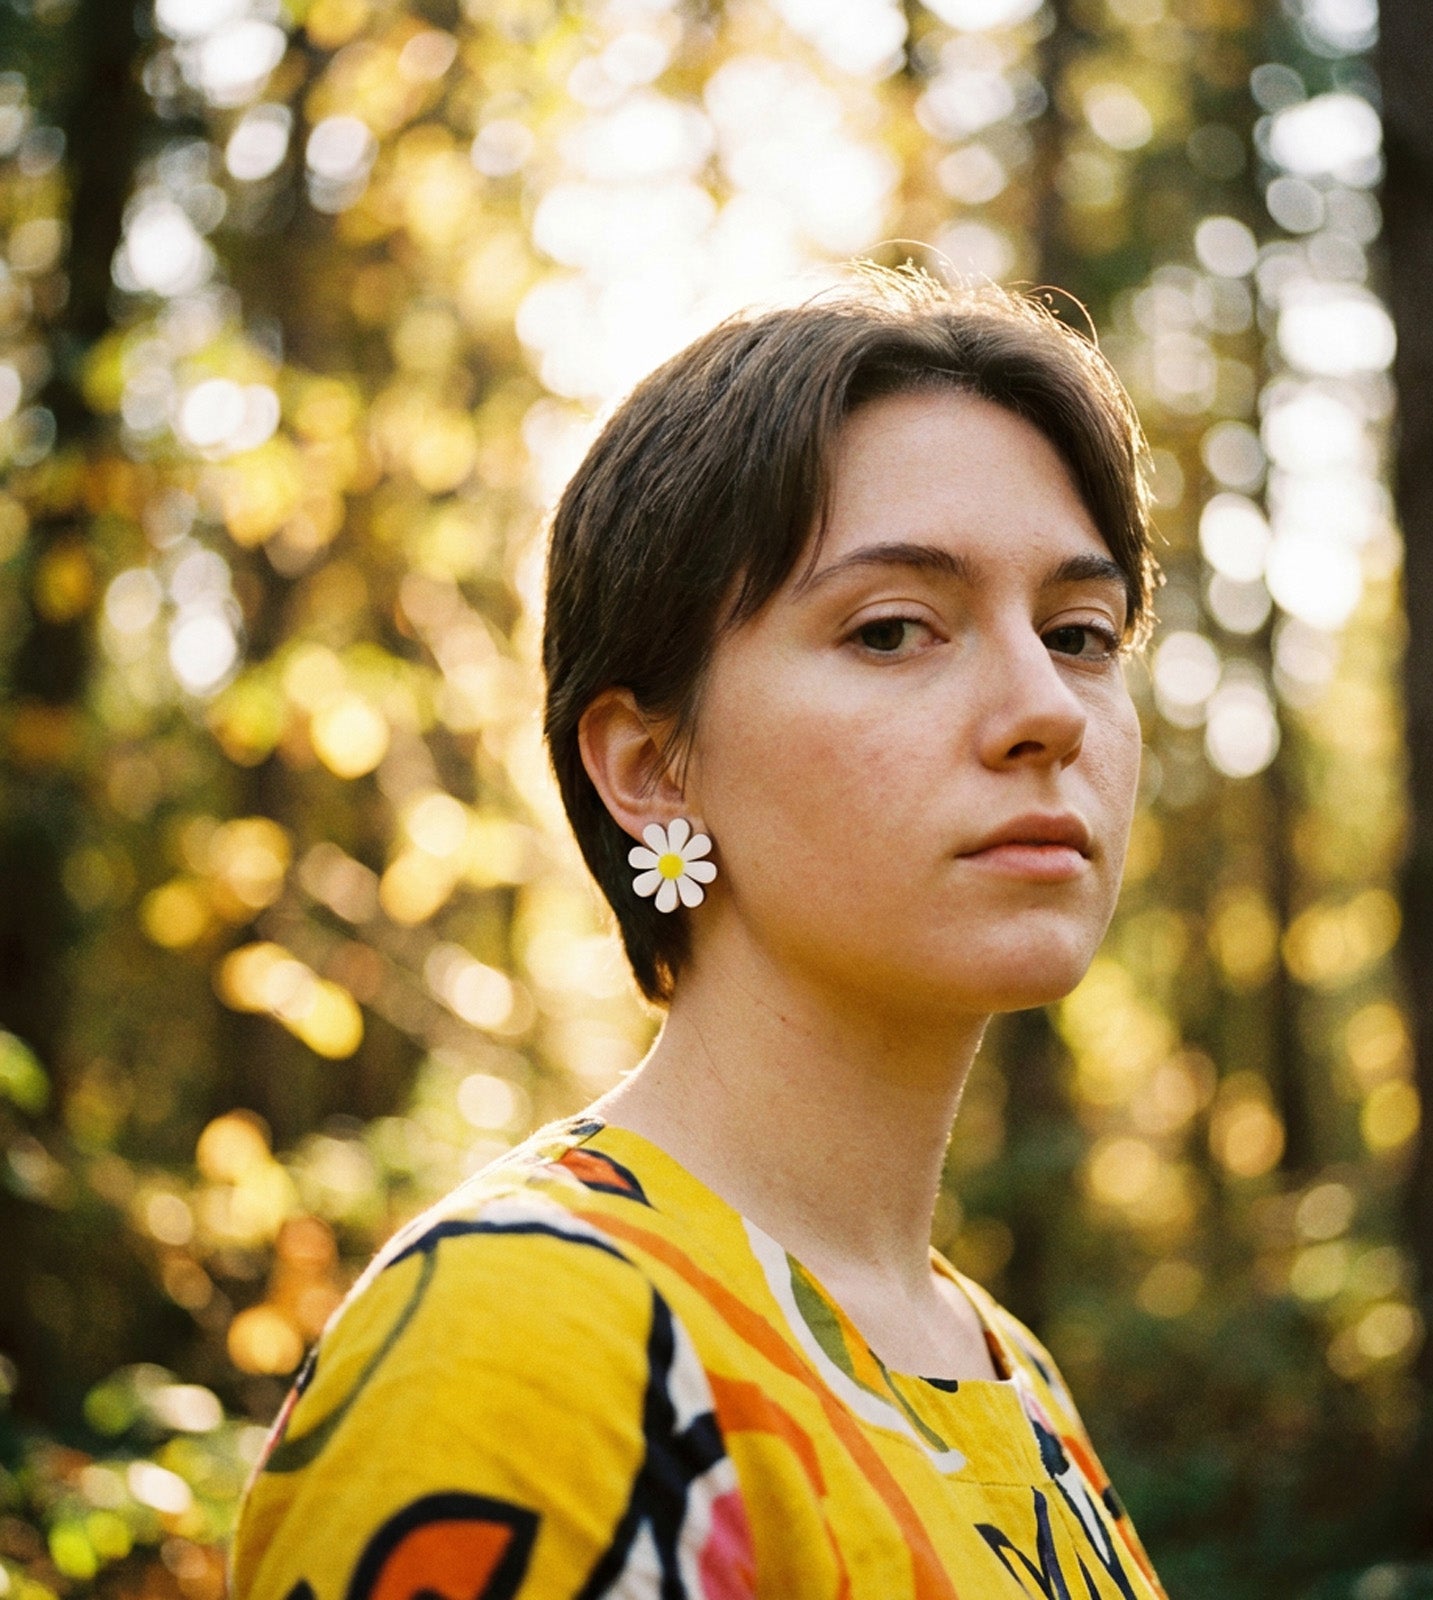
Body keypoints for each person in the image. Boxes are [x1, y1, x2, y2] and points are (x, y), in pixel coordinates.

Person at [230, 265, 1168, 1599]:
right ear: (652, 767)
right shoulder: (527, 1340)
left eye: (1081, 633)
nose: (1048, 710)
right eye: (895, 629)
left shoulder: (1013, 1380)